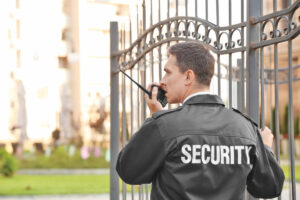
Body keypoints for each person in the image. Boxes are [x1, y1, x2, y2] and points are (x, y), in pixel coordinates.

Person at [116, 42, 284, 199]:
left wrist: (154, 119)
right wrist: (266, 149)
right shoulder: (245, 127)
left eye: (167, 72)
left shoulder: (164, 125)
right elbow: (271, 187)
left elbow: (128, 170)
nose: (162, 81)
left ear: (188, 76)